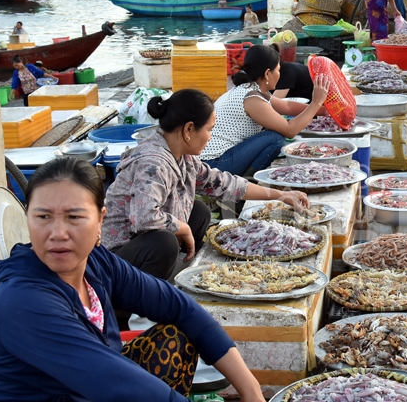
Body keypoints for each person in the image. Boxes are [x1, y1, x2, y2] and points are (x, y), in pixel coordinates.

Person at [0, 157, 275, 402]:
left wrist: (250, 391)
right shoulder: (21, 301)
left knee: (174, 338)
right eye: (43, 217)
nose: (57, 233)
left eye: (74, 217)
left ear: (100, 222)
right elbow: (122, 388)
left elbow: (181, 307)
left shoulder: (96, 262)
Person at [102, 90, 310, 315]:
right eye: (209, 130)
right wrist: (182, 229)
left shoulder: (184, 157)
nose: (211, 137)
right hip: (116, 261)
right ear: (189, 129)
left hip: (140, 242)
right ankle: (130, 312)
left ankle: (176, 276)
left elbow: (224, 184)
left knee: (198, 211)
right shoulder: (154, 163)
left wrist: (279, 195)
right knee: (165, 242)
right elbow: (145, 218)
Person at [202, 44, 330, 177]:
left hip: (217, 160)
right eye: (278, 70)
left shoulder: (252, 91)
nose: (279, 75)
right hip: (214, 164)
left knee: (274, 134)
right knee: (275, 138)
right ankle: (246, 181)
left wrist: (325, 112)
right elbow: (290, 130)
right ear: (267, 73)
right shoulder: (251, 99)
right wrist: (316, 102)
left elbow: (287, 106)